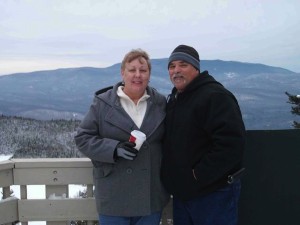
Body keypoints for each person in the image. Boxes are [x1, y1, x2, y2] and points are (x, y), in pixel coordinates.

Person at [75, 49, 169, 225]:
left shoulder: (160, 103)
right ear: (122, 73)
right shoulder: (103, 103)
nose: (137, 75)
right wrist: (113, 149)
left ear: (149, 75)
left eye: (143, 70)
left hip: (150, 196)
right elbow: (82, 138)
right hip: (114, 196)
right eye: (132, 70)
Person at [161, 44, 246, 225]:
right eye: (172, 66)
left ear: (196, 68)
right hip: (184, 194)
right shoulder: (177, 98)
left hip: (213, 194)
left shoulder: (215, 96)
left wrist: (198, 175)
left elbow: (231, 144)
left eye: (183, 65)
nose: (176, 71)